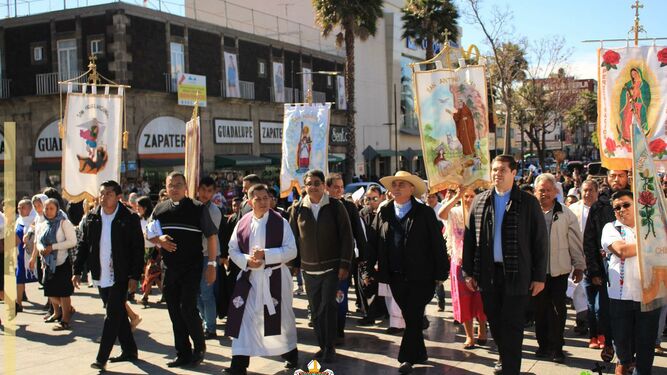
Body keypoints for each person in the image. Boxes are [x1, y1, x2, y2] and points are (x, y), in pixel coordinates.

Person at [462, 155, 548, 375]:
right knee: (496, 322)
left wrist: (539, 276)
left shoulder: (528, 203)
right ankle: (504, 356)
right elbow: (470, 239)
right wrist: (468, 272)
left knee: (513, 324)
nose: (496, 174)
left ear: (513, 173)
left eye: (502, 170)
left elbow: (540, 241)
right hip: (488, 274)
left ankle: (511, 369)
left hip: (517, 274)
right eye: (494, 170)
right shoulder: (480, 201)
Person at [367, 171, 449, 374]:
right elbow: (374, 241)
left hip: (422, 276)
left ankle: (406, 358)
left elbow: (437, 244)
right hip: (395, 275)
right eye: (394, 184)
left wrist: (441, 272)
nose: (396, 188)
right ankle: (419, 353)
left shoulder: (424, 212)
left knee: (412, 314)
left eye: (401, 184)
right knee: (411, 315)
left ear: (412, 189)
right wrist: (368, 268)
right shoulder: (384, 211)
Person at [223, 184, 299, 375]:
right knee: (243, 320)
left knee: (280, 319)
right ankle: (238, 365)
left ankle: (290, 353)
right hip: (249, 279)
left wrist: (266, 255)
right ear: (250, 202)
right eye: (258, 199)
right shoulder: (242, 223)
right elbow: (232, 249)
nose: (264, 202)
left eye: (266, 198)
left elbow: (292, 251)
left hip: (274, 278)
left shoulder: (280, 222)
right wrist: (247, 261)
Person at [148, 172, 219, 368]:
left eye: (179, 184)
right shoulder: (160, 209)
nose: (174, 188)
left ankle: (199, 347)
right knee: (174, 311)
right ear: (166, 186)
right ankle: (182, 353)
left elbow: (212, 237)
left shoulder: (197, 208)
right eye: (171, 185)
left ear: (186, 187)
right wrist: (158, 239)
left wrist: (212, 265)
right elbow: (148, 232)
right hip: (169, 268)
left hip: (192, 267)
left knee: (187, 308)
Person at [73, 180, 145, 371]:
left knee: (112, 314)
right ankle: (130, 350)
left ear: (118, 197)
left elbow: (138, 249)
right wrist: (77, 270)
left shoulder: (129, 217)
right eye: (102, 193)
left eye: (109, 194)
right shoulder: (93, 217)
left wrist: (134, 276)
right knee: (118, 312)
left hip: (120, 274)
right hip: (100, 273)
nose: (104, 198)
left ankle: (101, 357)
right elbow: (83, 244)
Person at [289, 169, 354, 363]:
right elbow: (293, 238)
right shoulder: (297, 208)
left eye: (317, 183)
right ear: (305, 186)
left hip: (331, 269)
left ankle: (330, 347)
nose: (313, 187)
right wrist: (294, 264)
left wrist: (344, 264)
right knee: (315, 310)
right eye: (309, 183)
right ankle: (322, 345)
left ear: (324, 186)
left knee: (328, 307)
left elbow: (346, 237)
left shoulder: (336, 206)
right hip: (309, 270)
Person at [601, 190, 661, 374]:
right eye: (616, 207)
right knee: (622, 344)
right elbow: (622, 251)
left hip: (649, 294)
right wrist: (653, 245)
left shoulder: (653, 226)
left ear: (636, 205)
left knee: (646, 343)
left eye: (626, 204)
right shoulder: (610, 228)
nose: (621, 210)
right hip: (621, 296)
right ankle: (624, 365)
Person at [533, 173, 586, 363]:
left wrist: (579, 265)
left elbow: (575, 241)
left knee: (557, 310)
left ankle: (557, 347)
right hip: (536, 272)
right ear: (535, 192)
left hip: (559, 271)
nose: (545, 194)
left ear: (556, 192)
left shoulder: (566, 213)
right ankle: (543, 345)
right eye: (541, 190)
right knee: (539, 310)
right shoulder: (530, 213)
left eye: (549, 190)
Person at [583, 169, 630, 361]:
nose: (616, 180)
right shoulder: (600, 205)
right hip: (606, 270)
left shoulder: (640, 200)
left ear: (627, 176)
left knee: (630, 313)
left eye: (620, 175)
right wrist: (594, 269)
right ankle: (609, 343)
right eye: (612, 176)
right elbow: (590, 239)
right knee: (607, 311)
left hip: (633, 268)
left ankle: (628, 353)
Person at [439, 187, 487, 349]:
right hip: (459, 261)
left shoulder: (483, 212)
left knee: (481, 299)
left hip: (480, 261)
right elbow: (441, 215)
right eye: (466, 196)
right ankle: (469, 336)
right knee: (463, 299)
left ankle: (482, 329)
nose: (468, 199)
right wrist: (456, 197)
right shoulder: (456, 212)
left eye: (472, 196)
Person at [324, 173, 367, 343]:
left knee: (340, 297)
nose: (340, 190)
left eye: (342, 187)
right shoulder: (320, 206)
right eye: (336, 187)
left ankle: (338, 330)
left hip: (343, 262)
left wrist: (364, 258)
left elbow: (359, 234)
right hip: (322, 263)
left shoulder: (349, 207)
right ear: (327, 188)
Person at [33, 198, 77, 330]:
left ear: (57, 209)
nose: (48, 211)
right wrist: (41, 248)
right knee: (50, 290)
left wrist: (53, 247)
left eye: (51, 208)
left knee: (63, 292)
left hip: (62, 261)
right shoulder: (43, 224)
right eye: (46, 208)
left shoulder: (64, 223)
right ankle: (57, 312)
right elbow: (39, 240)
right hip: (48, 263)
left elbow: (72, 241)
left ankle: (65, 319)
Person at [569, 179, 600, 339]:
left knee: (590, 292)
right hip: (577, 255)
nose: (587, 193)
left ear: (597, 192)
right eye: (585, 190)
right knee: (578, 289)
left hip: (596, 256)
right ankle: (581, 321)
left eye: (591, 190)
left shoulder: (602, 209)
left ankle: (595, 325)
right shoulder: (573, 209)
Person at [358, 185, 388, 326]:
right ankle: (369, 315)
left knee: (384, 286)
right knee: (366, 285)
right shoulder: (362, 213)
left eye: (374, 198)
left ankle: (387, 313)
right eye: (368, 199)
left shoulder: (387, 211)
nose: (371, 202)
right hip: (367, 255)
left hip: (384, 255)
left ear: (381, 197)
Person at [196, 177, 222, 340]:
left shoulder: (214, 211)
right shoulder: (193, 206)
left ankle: (210, 327)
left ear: (213, 192)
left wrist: (213, 262)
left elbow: (209, 238)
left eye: (209, 191)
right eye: (203, 190)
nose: (205, 194)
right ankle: (205, 320)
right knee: (196, 293)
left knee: (206, 293)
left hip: (208, 256)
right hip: (194, 257)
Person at [137, 196, 161, 306]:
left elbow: (156, 233)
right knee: (154, 275)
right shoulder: (139, 219)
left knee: (151, 273)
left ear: (145, 208)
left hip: (154, 249)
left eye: (139, 207)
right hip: (144, 249)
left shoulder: (152, 219)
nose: (137, 209)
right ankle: (166, 294)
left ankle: (145, 296)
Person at [16, 199, 38, 312]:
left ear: (30, 208)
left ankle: (51, 303)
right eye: (19, 207)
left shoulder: (36, 219)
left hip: (35, 253)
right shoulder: (18, 220)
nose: (19, 209)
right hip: (20, 254)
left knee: (42, 278)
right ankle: (18, 303)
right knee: (19, 277)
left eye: (22, 207)